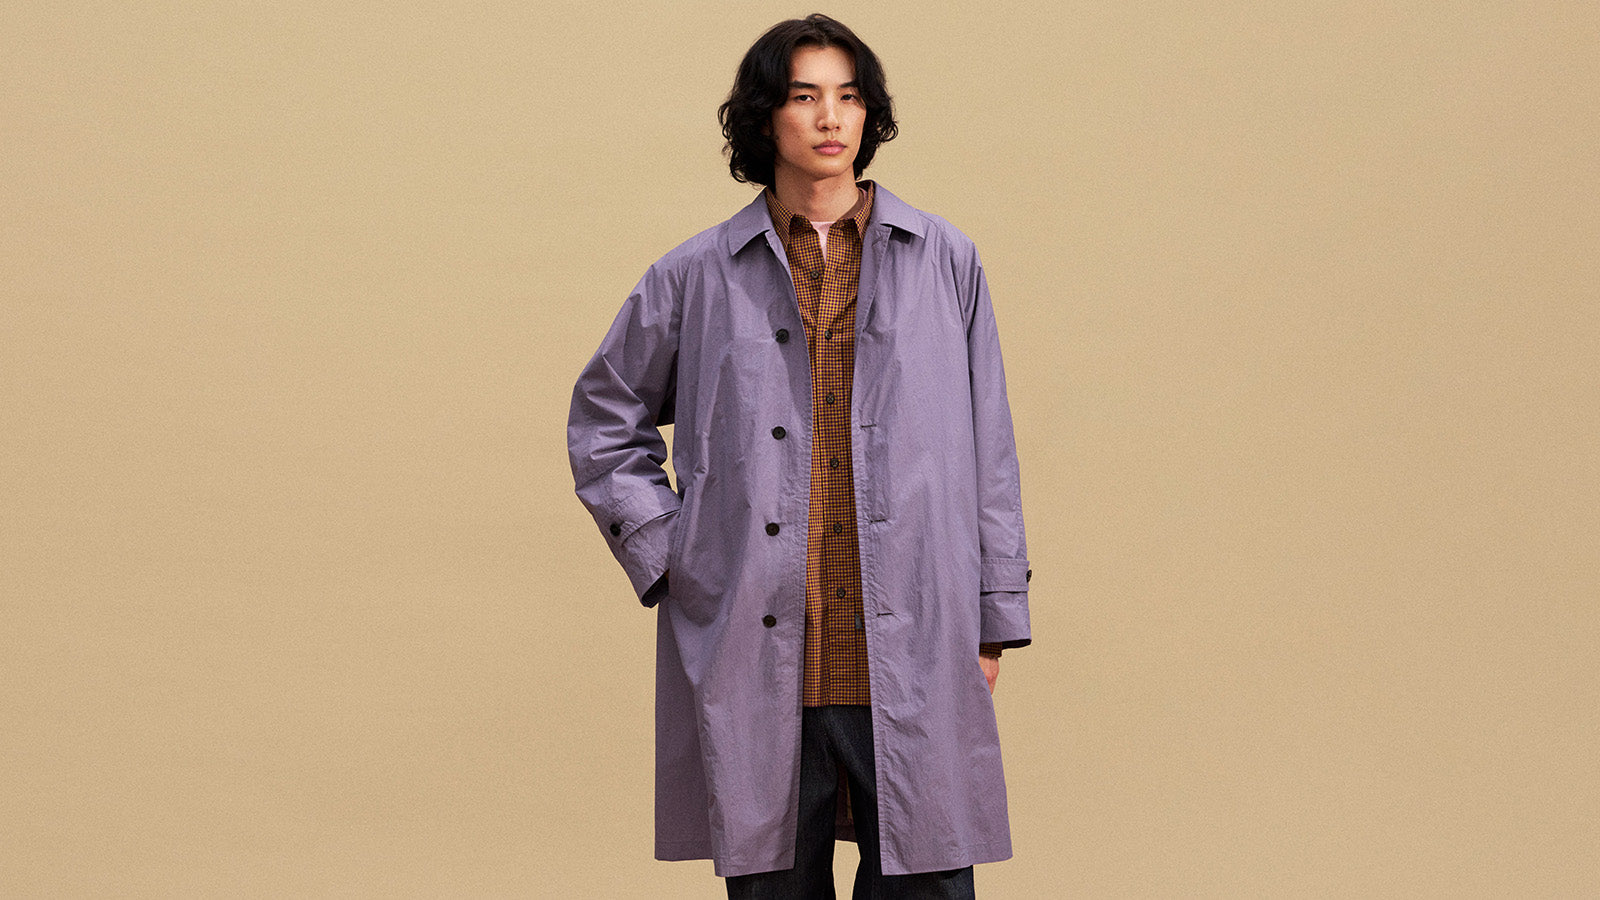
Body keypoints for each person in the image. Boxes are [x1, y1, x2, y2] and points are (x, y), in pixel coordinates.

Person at [568, 14, 1031, 897]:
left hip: (916, 637)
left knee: (931, 880)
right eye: (805, 96)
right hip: (759, 644)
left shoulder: (946, 262)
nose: (830, 117)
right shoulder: (696, 274)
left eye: (849, 97)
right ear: (764, 117)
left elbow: (990, 446)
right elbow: (602, 419)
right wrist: (675, 557)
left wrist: (995, 615)